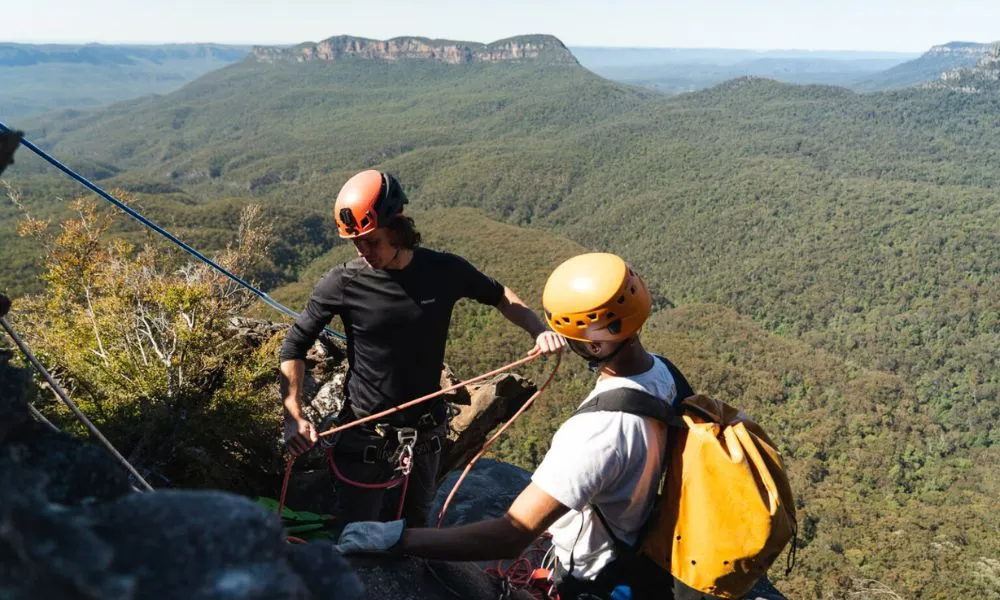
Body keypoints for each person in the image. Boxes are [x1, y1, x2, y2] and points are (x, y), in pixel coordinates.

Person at [336, 252, 685, 600]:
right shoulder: (665, 373)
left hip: (592, 575)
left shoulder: (597, 433)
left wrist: (398, 538)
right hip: (638, 547)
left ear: (593, 344)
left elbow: (511, 534)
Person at [279, 169, 565, 527]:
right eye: (357, 243)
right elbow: (294, 345)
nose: (364, 251)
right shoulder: (343, 283)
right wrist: (293, 414)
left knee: (414, 532)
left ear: (397, 229)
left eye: (372, 241)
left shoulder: (442, 270)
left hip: (425, 437)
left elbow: (500, 295)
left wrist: (540, 331)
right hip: (367, 435)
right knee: (356, 534)